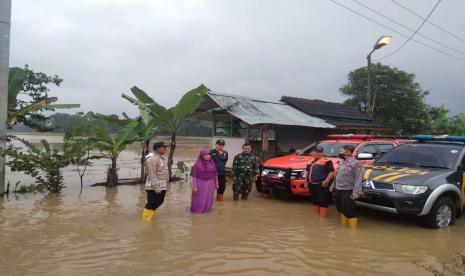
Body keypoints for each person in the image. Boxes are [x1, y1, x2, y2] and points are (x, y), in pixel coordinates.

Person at [330, 145, 362, 229]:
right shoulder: (341, 162)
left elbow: (358, 179)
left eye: (342, 151)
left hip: (348, 190)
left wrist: (356, 192)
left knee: (349, 209)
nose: (340, 152)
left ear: (348, 152)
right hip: (338, 189)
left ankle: (353, 230)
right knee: (340, 208)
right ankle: (344, 227)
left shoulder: (356, 163)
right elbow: (337, 175)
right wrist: (332, 186)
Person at [304, 146, 336, 218]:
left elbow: (332, 172)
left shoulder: (327, 161)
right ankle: (317, 218)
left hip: (322, 184)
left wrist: (326, 181)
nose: (318, 153)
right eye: (316, 152)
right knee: (315, 200)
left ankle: (323, 219)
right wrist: (306, 181)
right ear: (313, 152)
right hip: (312, 184)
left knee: (323, 201)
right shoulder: (310, 161)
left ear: (322, 153)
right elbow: (307, 172)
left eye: (320, 152)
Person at [142, 141, 169, 222]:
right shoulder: (152, 159)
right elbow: (152, 174)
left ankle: (151, 216)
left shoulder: (162, 158)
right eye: (163, 148)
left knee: (159, 201)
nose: (165, 149)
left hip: (162, 185)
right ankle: (146, 221)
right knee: (152, 203)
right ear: (158, 149)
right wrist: (156, 187)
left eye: (165, 148)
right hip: (153, 186)